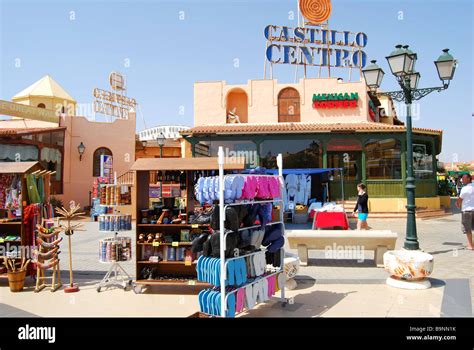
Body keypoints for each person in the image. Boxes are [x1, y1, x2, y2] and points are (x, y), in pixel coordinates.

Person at [456, 174, 474, 250]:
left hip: (467, 211)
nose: (462, 180)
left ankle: (470, 245)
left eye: (464, 178)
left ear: (469, 179)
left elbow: (460, 199)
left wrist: (457, 204)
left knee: (467, 228)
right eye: (462, 178)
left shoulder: (465, 188)